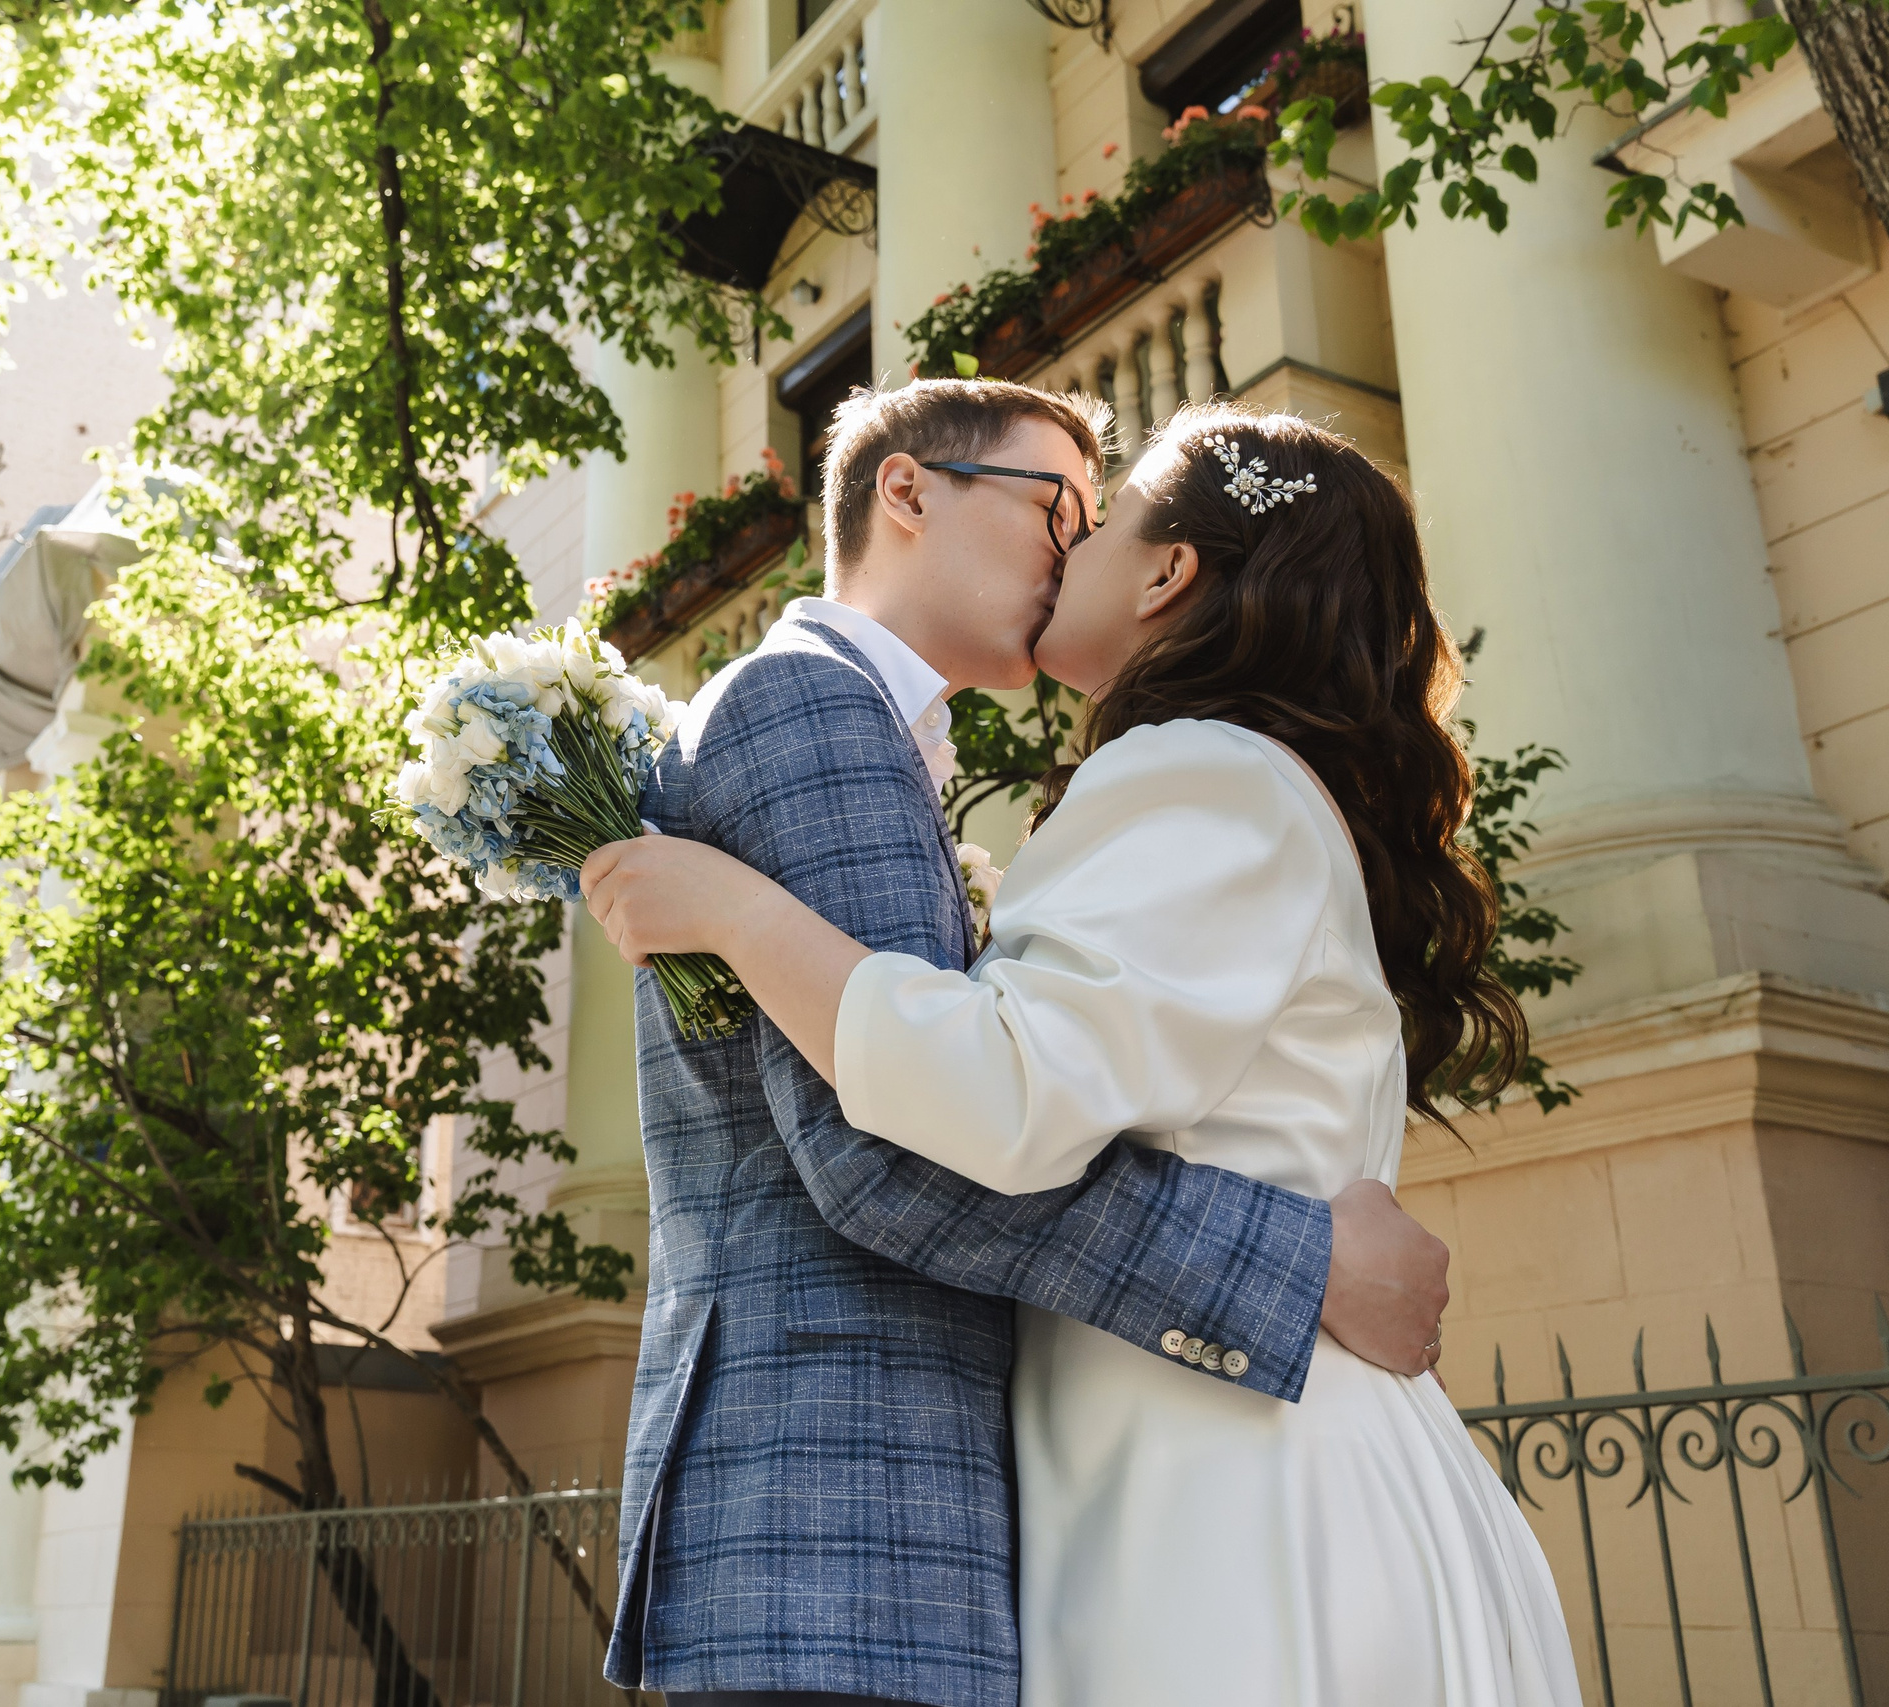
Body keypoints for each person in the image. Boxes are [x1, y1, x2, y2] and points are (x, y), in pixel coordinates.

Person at [583, 400, 1584, 1705]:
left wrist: (737, 912)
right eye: (1058, 505)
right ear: (908, 494)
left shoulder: (1202, 772)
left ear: (1170, 573)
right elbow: (896, 1151)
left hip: (1223, 1490)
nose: (1071, 543)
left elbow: (982, 1087)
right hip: (1055, 1476)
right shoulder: (826, 714)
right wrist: (1305, 1258)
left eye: (1095, 517)